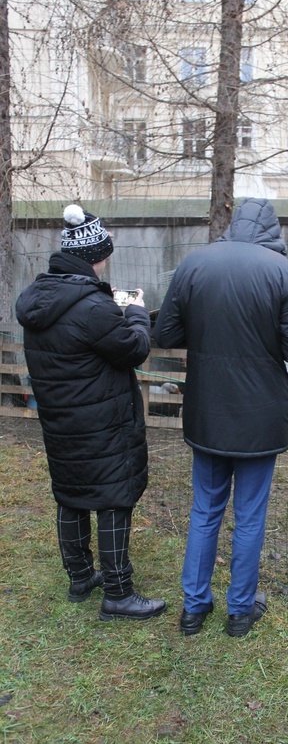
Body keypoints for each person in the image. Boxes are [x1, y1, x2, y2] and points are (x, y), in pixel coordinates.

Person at [153, 198, 288, 637]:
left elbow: (165, 333)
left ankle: (193, 609)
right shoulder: (284, 273)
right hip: (260, 416)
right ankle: (240, 612)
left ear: (233, 224)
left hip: (208, 409)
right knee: (250, 515)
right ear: (272, 230)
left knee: (205, 509)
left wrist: (206, 329)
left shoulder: (194, 264)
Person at [15, 204, 166, 622]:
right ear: (97, 255)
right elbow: (133, 349)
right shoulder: (93, 307)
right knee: (114, 498)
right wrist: (137, 313)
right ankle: (118, 593)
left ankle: (80, 577)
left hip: (61, 419)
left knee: (72, 493)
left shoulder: (40, 298)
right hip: (102, 423)